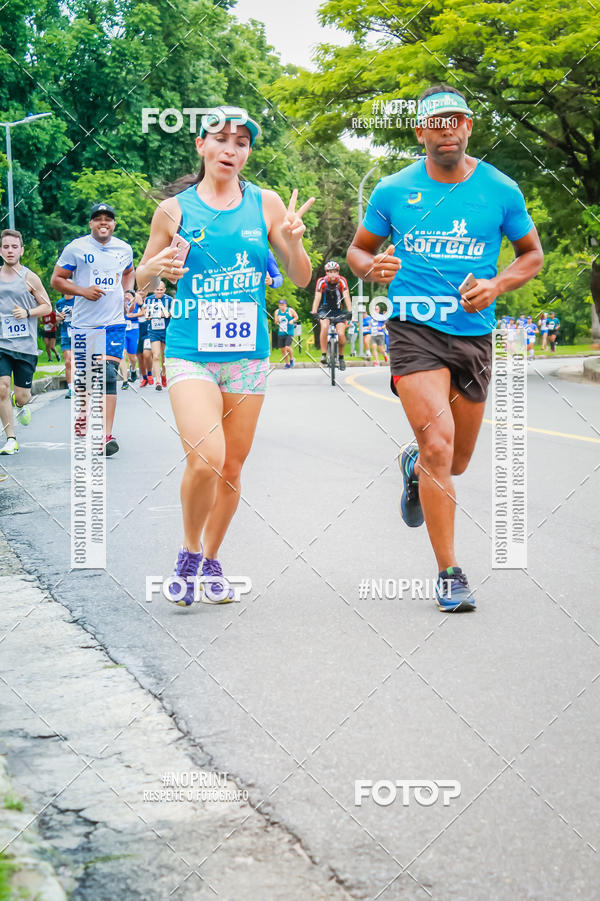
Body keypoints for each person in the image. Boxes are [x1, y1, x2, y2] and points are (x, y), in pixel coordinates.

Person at [347, 83, 544, 612]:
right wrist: (373, 268)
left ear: (468, 127)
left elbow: (531, 255)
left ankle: (415, 467)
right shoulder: (392, 190)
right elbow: (359, 252)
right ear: (421, 132)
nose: (447, 129)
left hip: (475, 333)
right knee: (439, 443)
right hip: (414, 326)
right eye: (437, 122)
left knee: (455, 460)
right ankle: (450, 573)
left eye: (456, 119)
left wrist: (498, 285)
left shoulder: (501, 190)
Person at [135, 106, 314, 607]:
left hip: (247, 354)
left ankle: (212, 559)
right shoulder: (173, 211)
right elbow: (138, 284)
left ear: (247, 152)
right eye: (222, 139)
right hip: (191, 350)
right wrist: (155, 266)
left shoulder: (268, 203)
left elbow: (299, 277)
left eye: (242, 142)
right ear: (201, 145)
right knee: (206, 457)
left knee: (232, 467)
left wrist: (295, 244)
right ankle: (188, 552)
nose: (231, 149)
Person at [50, 203, 135, 456]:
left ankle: (105, 436)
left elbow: (129, 273)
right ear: (91, 224)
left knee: (108, 375)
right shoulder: (76, 248)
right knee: (87, 379)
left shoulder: (124, 248)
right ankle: (84, 414)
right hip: (84, 325)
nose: (103, 223)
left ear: (114, 224)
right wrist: (83, 291)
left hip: (114, 323)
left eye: (108, 219)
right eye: (98, 219)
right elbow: (57, 280)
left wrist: (128, 291)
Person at [0, 229, 52, 455]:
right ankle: (11, 438)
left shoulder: (30, 277)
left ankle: (19, 403)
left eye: (14, 247)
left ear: (21, 250)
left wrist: (28, 312)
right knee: (2, 388)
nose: (10, 250)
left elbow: (47, 307)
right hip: (2, 344)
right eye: (5, 246)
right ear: (0, 250)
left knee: (22, 395)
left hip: (26, 346)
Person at [312, 261, 352, 369]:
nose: (332, 274)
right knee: (324, 326)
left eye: (334, 272)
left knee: (341, 334)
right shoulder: (321, 281)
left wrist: (350, 312)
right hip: (324, 310)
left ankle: (341, 357)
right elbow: (317, 297)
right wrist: (314, 311)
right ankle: (324, 355)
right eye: (330, 272)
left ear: (338, 272)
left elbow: (346, 296)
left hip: (339, 311)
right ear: (326, 273)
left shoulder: (342, 281)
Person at [144, 280, 171, 391]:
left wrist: (163, 313)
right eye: (157, 290)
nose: (159, 292)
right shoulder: (148, 299)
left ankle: (164, 373)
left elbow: (170, 314)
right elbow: (146, 315)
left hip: (165, 330)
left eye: (161, 290)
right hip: (154, 331)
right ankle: (158, 381)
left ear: (164, 290)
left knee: (164, 356)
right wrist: (149, 315)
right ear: (153, 289)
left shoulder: (169, 299)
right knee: (156, 355)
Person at [120, 289, 145, 389]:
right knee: (122, 354)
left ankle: (133, 369)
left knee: (132, 357)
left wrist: (133, 315)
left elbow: (144, 312)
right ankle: (125, 381)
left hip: (133, 331)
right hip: (123, 330)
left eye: (129, 296)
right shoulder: (120, 301)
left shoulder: (137, 301)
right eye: (126, 295)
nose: (127, 297)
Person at [55, 293, 75, 397]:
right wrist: (59, 317)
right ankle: (71, 388)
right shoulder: (59, 303)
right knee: (68, 361)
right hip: (65, 335)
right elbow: (55, 320)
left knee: (78, 362)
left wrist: (74, 313)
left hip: (79, 334)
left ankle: (82, 386)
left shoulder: (79, 300)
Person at [274, 297, 299, 367]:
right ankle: (287, 363)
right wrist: (277, 320)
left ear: (285, 305)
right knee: (282, 349)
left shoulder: (290, 310)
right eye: (280, 305)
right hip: (281, 332)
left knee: (287, 347)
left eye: (282, 305)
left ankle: (291, 358)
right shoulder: (277, 312)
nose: (281, 306)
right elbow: (275, 322)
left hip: (289, 331)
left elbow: (296, 317)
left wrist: (292, 320)